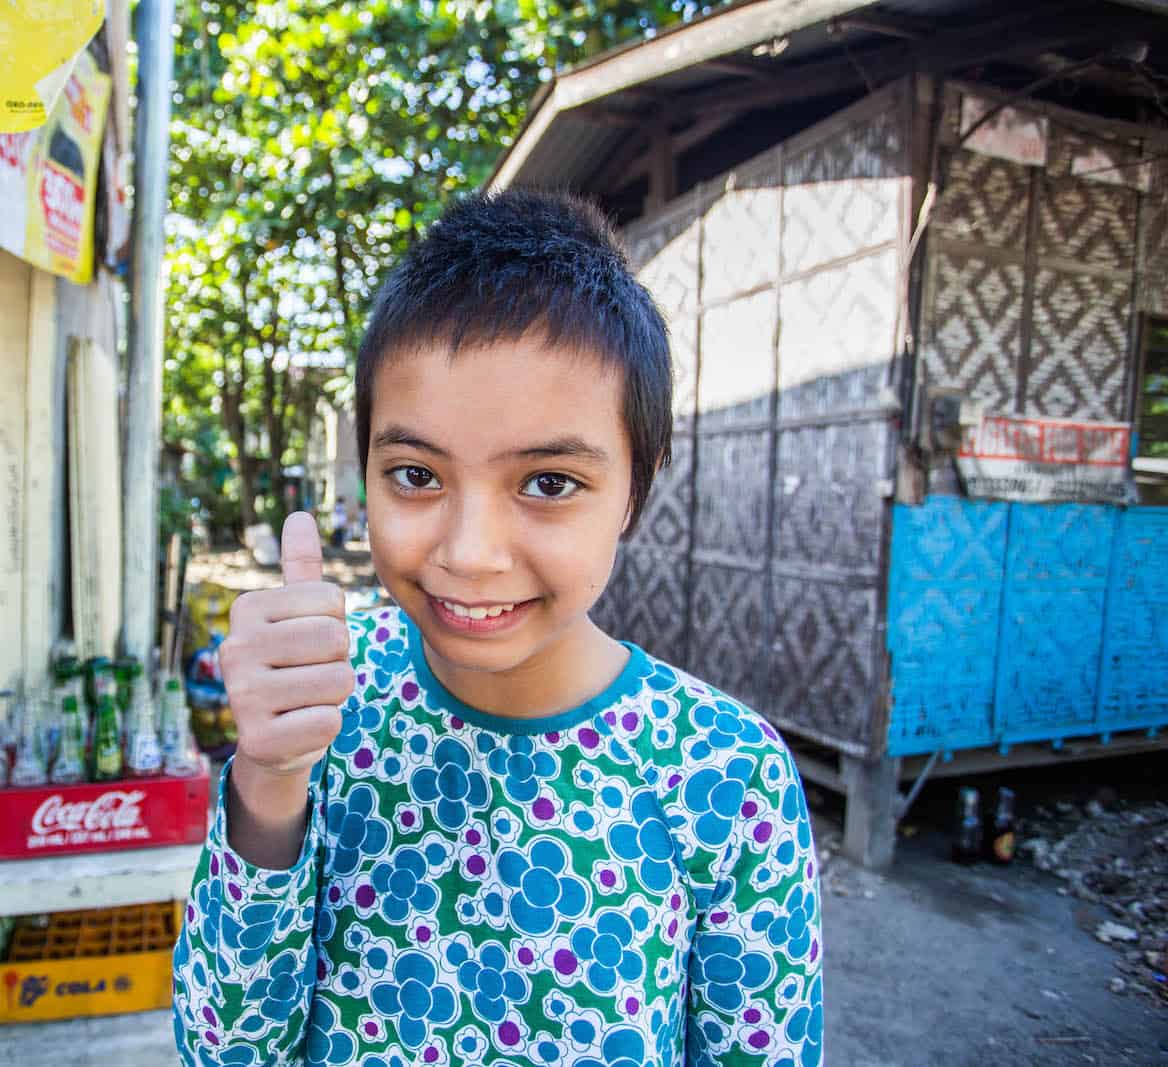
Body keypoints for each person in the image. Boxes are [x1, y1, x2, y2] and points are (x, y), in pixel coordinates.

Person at [172, 190, 823, 1066]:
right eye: (414, 473)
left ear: (638, 480)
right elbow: (227, 1052)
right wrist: (270, 780)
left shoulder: (726, 773)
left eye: (548, 482)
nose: (471, 553)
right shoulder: (325, 692)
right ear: (362, 463)